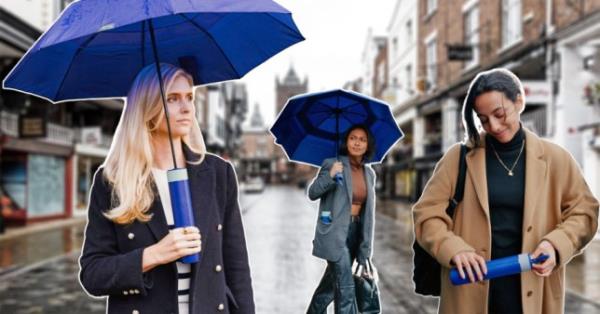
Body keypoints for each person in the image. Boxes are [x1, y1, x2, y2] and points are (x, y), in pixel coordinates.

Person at [412, 68, 599, 314]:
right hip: (468, 291)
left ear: (519, 101)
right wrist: (454, 249)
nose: (494, 125)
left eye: (500, 114)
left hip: (535, 288)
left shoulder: (556, 159)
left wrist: (556, 244)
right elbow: (426, 214)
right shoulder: (458, 159)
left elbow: (585, 212)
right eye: (484, 119)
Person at [79, 63, 254, 314]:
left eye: (189, 98)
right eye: (172, 99)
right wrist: (154, 255)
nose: (186, 108)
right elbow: (93, 274)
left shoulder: (218, 173)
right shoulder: (113, 181)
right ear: (147, 107)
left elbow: (237, 269)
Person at [306, 125, 378, 314]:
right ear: (346, 142)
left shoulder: (369, 173)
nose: (357, 142)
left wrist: (365, 248)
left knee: (329, 288)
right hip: (334, 234)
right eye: (353, 138)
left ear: (367, 144)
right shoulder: (333, 164)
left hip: (355, 234)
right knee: (346, 288)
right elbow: (312, 193)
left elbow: (369, 213)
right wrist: (330, 176)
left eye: (362, 139)